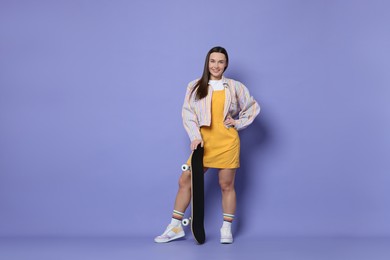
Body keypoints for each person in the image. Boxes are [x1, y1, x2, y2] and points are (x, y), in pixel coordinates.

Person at [154, 46, 260, 244]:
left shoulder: (235, 87)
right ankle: (175, 227)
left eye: (220, 61)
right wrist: (194, 136)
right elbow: (188, 113)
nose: (216, 65)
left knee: (226, 184)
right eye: (213, 61)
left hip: (227, 142)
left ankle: (226, 229)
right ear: (207, 63)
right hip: (203, 143)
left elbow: (253, 107)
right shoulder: (194, 86)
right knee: (185, 181)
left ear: (226, 64)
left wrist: (238, 122)